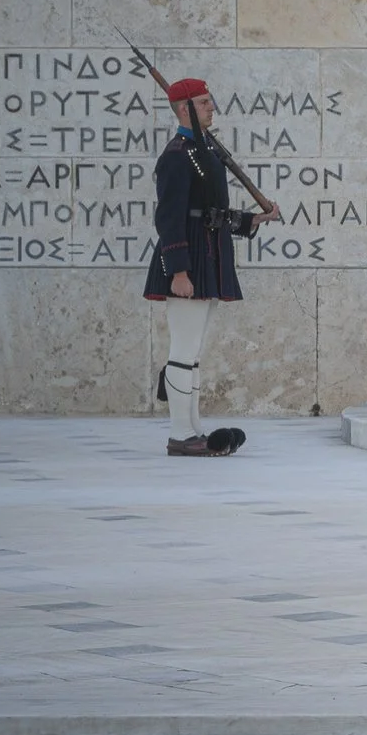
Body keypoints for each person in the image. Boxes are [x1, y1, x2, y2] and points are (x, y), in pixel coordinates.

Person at [142, 76, 279, 456]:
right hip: (189, 260)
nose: (211, 107)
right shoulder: (175, 156)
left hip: (209, 255)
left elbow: (212, 212)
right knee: (183, 349)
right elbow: (169, 218)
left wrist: (255, 220)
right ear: (184, 109)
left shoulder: (204, 153)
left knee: (193, 352)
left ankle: (193, 429)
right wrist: (179, 272)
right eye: (203, 103)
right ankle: (181, 434)